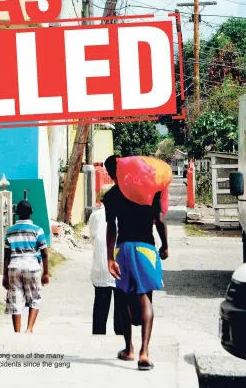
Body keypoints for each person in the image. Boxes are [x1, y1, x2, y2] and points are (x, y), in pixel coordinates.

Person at [103, 155, 169, 371]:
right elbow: (159, 221)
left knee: (123, 299)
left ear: (112, 174)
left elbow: (111, 227)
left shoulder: (112, 195)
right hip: (145, 249)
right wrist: (165, 245)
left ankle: (129, 349)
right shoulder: (150, 189)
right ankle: (144, 352)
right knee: (145, 297)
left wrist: (110, 257)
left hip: (123, 248)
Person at [3, 200, 49, 333]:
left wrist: (5, 275)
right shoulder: (37, 230)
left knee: (15, 298)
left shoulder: (10, 231)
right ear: (31, 213)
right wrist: (46, 273)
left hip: (14, 267)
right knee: (35, 298)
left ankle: (17, 332)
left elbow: (7, 255)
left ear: (16, 213)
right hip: (32, 266)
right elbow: (44, 253)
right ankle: (29, 329)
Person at [89, 185, 120, 335]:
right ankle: (120, 334)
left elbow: (93, 237)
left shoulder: (95, 216)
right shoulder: (122, 212)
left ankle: (98, 334)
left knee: (101, 303)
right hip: (119, 265)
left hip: (101, 266)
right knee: (121, 304)